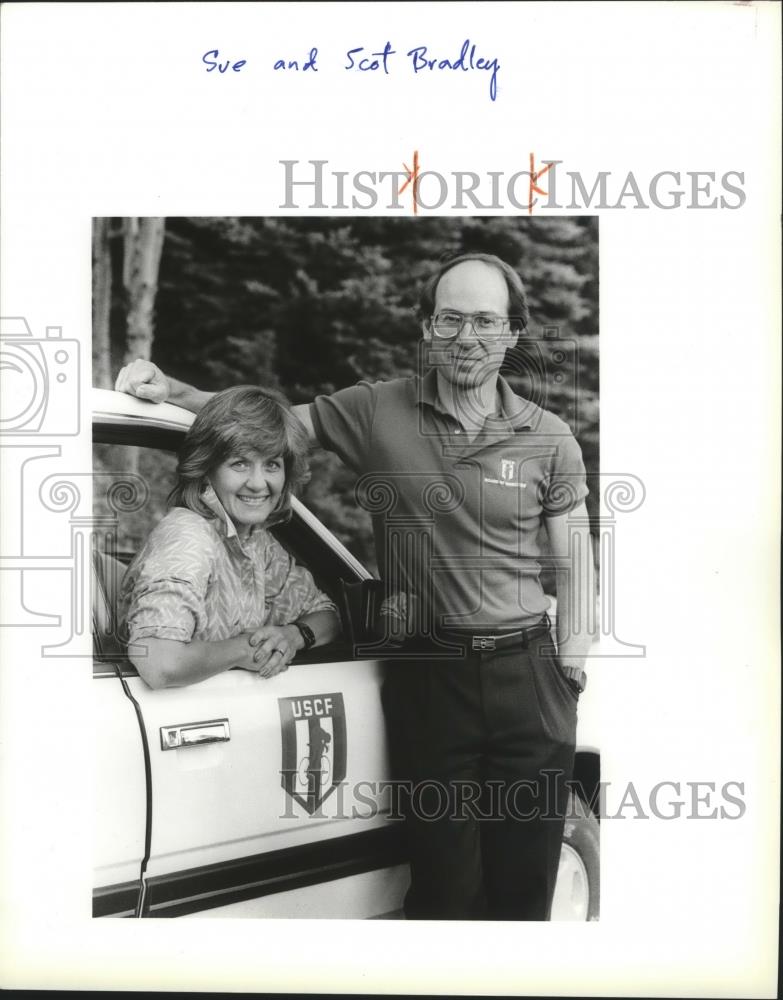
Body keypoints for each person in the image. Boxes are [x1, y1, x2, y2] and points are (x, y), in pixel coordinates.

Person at [115, 252, 595, 919]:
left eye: (485, 322)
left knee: (523, 893)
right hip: (430, 681)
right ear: (429, 326)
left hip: (528, 679)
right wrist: (175, 392)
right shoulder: (376, 411)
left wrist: (569, 668)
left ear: (512, 332)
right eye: (450, 319)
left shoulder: (549, 438)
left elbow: (573, 557)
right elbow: (268, 428)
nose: (466, 337)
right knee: (443, 893)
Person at [120, 385, 341, 689]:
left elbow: (328, 615)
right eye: (240, 463)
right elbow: (161, 664)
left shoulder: (255, 542)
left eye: (272, 465)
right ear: (206, 468)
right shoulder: (189, 538)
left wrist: (293, 635)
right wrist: (243, 648)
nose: (258, 483)